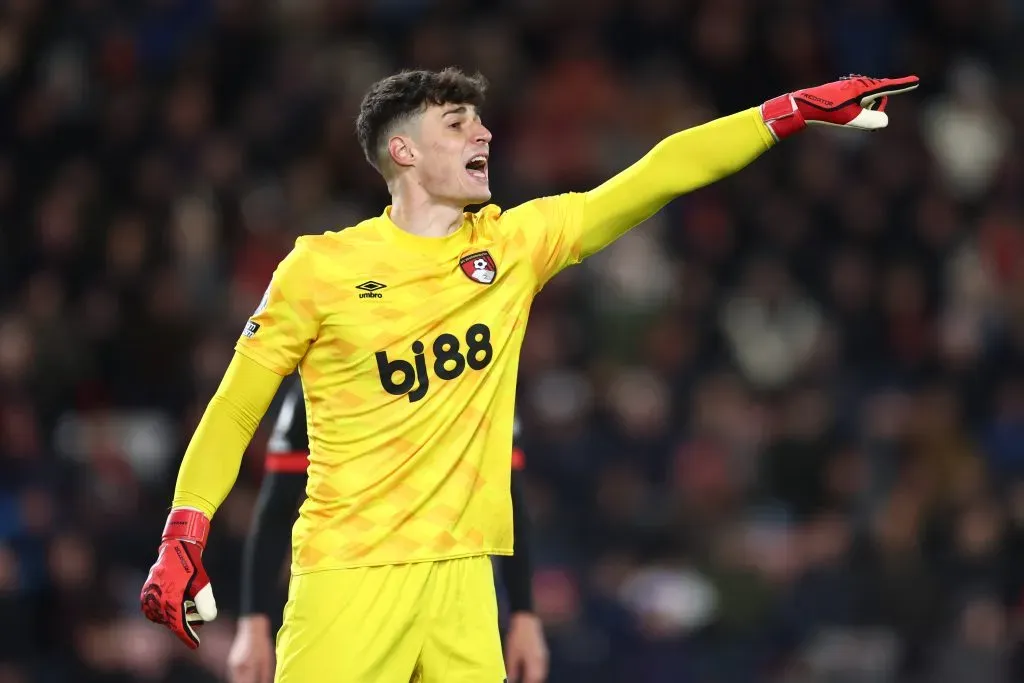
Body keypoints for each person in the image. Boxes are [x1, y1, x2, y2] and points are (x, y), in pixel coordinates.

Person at [139, 68, 919, 682]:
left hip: (466, 583)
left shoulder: (515, 244)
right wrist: (186, 529)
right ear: (403, 151)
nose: (484, 131)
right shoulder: (321, 268)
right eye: (458, 123)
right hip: (350, 575)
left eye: (480, 119)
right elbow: (235, 409)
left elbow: (656, 175)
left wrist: (786, 112)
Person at [225, 375, 547, 683]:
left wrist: (524, 613)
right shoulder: (328, 381)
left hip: (451, 597)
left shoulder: (474, 376)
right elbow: (277, 507)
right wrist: (253, 623)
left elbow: (506, 495)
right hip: (357, 594)